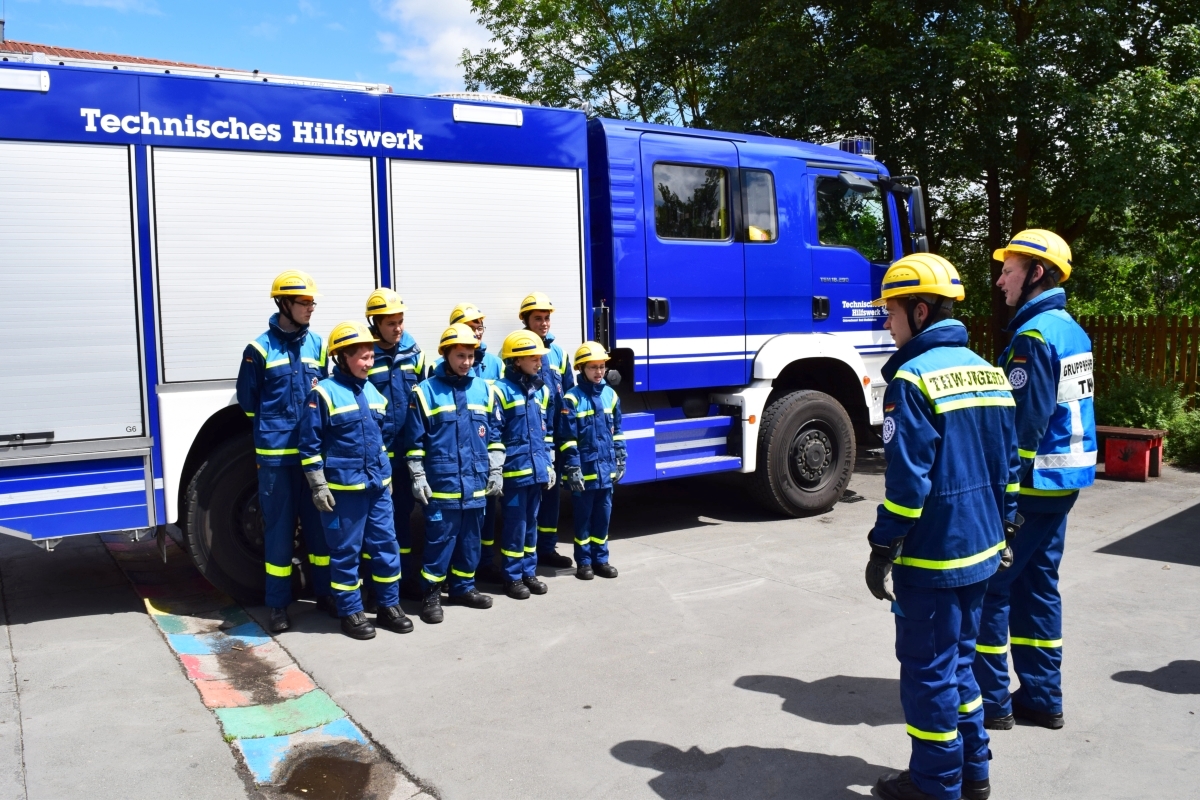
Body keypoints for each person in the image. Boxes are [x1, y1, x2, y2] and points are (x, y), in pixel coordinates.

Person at [864, 254, 1021, 800]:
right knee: (960, 667)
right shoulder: (989, 371)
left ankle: (935, 786)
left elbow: (907, 486)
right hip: (983, 549)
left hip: (933, 557)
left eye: (891, 311)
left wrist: (882, 545)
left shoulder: (910, 380)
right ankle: (973, 772)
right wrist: (1006, 528)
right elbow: (1010, 466)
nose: (887, 323)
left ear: (921, 310)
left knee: (927, 675)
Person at [973, 230, 1096, 732]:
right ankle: (1043, 698)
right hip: (1062, 483)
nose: (1000, 280)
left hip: (1032, 485)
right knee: (1037, 586)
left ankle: (990, 702)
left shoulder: (1034, 337)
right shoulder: (1072, 331)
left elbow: (1023, 431)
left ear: (1036, 274)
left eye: (1009, 270)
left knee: (990, 587)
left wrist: (1001, 496)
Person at [298, 320, 411, 640]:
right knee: (346, 552)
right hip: (343, 490)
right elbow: (309, 444)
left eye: (371, 356)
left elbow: (381, 439)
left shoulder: (373, 392)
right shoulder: (323, 393)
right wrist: (318, 484)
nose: (369, 362)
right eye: (362, 357)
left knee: (386, 546)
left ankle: (389, 605)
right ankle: (350, 610)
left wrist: (386, 477)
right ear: (342, 357)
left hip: (377, 486)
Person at [235, 270, 333, 634]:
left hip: (312, 457)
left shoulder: (319, 345)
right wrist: (275, 431)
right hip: (276, 458)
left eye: (312, 302)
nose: (311, 308)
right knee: (278, 532)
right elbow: (249, 402)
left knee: (319, 529)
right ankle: (278, 604)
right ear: (284, 303)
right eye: (304, 302)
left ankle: (326, 594)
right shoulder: (259, 349)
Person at [401, 323, 504, 624]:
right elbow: (414, 442)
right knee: (439, 541)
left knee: (471, 540)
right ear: (445, 354)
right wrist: (418, 475)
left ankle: (463, 588)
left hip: (475, 482)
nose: (466, 362)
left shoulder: (486, 390)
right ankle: (431, 593)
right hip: (442, 484)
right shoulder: (425, 392)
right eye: (460, 355)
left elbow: (495, 436)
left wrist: (496, 469)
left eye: (470, 356)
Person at [362, 288, 426, 603]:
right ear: (375, 323)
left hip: (406, 453)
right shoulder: (364, 355)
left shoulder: (414, 352)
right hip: (377, 458)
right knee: (376, 524)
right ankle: (374, 585)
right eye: (391, 323)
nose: (398, 328)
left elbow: (424, 399)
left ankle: (404, 579)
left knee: (403, 517)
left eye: (400, 321)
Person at [491, 329, 556, 599]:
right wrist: (496, 469)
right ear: (516, 360)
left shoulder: (542, 391)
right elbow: (494, 435)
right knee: (515, 526)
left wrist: (549, 463)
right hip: (514, 474)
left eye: (540, 357)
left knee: (531, 524)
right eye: (534, 358)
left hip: (536, 471)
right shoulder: (499, 391)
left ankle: (529, 572)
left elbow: (545, 432)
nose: (539, 362)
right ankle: (512, 577)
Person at [559, 341, 626, 581]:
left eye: (601, 367)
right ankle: (584, 562)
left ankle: (601, 560)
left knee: (603, 517)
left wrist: (620, 457)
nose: (599, 372)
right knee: (583, 520)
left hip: (605, 469)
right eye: (593, 367)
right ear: (580, 369)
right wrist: (573, 467)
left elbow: (617, 430)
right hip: (584, 471)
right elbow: (567, 438)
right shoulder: (571, 398)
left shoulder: (610, 395)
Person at [520, 292, 576, 570]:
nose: (543, 323)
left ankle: (547, 548)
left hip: (555, 438)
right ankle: (525, 553)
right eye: (537, 318)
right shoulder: (517, 350)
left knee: (552, 496)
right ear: (526, 321)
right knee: (529, 501)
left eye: (546, 318)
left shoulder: (559, 354)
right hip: (530, 440)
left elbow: (568, 396)